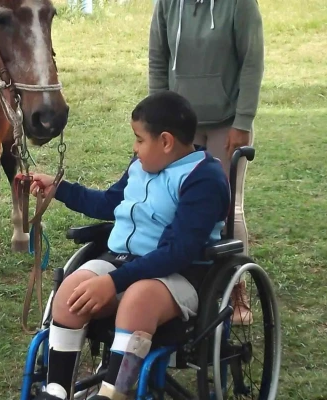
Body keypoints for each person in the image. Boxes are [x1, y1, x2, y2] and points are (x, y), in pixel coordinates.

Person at [30, 91, 230, 400]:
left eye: (139, 139)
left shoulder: (204, 179)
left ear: (165, 142)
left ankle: (114, 392)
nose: (134, 148)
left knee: (138, 299)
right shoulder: (140, 165)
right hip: (120, 261)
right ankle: (55, 390)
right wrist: (59, 189)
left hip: (176, 274)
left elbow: (177, 252)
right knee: (71, 292)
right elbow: (110, 202)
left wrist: (113, 282)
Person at [147, 0, 265, 325]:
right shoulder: (167, 5)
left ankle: (236, 289)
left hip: (227, 124)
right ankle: (184, 282)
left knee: (228, 207)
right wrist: (160, 115)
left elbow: (252, 62)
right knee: (175, 202)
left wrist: (243, 121)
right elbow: (158, 59)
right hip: (182, 124)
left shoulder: (240, 5)